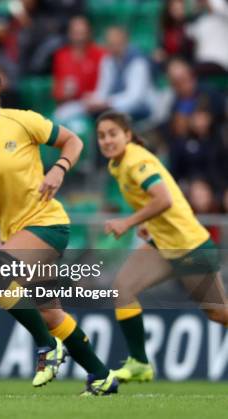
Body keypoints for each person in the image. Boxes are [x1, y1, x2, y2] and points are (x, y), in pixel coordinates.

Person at [0, 64, 118, 396]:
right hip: (16, 234)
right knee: (51, 313)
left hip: (47, 222)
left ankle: (46, 348)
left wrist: (58, 169)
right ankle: (102, 377)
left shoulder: (23, 121)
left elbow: (73, 141)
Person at [96, 110, 228, 383]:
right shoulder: (116, 165)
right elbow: (152, 202)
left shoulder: (135, 161)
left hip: (188, 245)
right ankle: (139, 363)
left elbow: (164, 199)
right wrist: (147, 225)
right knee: (123, 288)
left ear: (128, 136)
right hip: (162, 243)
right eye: (101, 136)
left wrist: (129, 222)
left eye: (113, 134)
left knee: (218, 312)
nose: (107, 140)